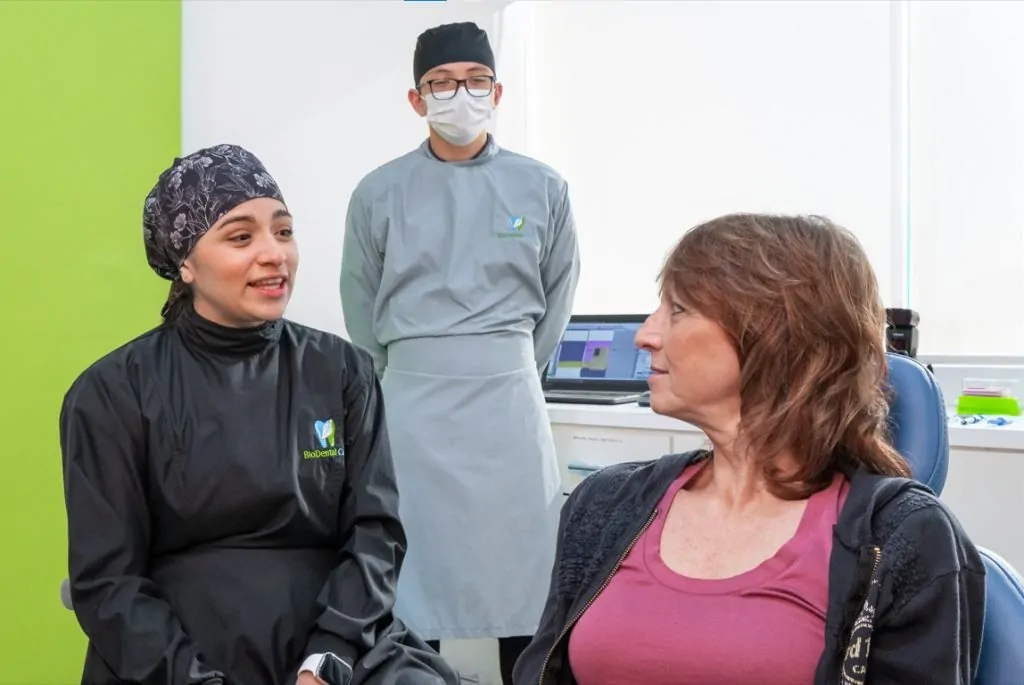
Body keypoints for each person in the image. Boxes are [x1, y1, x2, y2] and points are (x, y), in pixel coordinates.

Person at [513, 214, 986, 685]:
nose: (645, 336)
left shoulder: (906, 537)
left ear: (771, 333)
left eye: (677, 310)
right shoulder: (604, 504)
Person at [60, 144, 459, 685]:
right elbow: (109, 582)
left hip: (338, 641)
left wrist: (327, 660)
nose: (274, 254)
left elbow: (375, 534)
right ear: (185, 261)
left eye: (284, 231)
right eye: (241, 237)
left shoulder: (341, 371)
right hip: (178, 655)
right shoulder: (112, 393)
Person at [339, 21, 580, 684]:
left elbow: (557, 297)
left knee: (526, 585)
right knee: (416, 583)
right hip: (413, 408)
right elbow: (359, 305)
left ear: (497, 90)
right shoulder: (378, 193)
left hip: (507, 402)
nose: (459, 95)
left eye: (474, 81)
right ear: (416, 100)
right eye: (440, 84)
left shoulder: (543, 188)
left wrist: (509, 365)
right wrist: (403, 378)